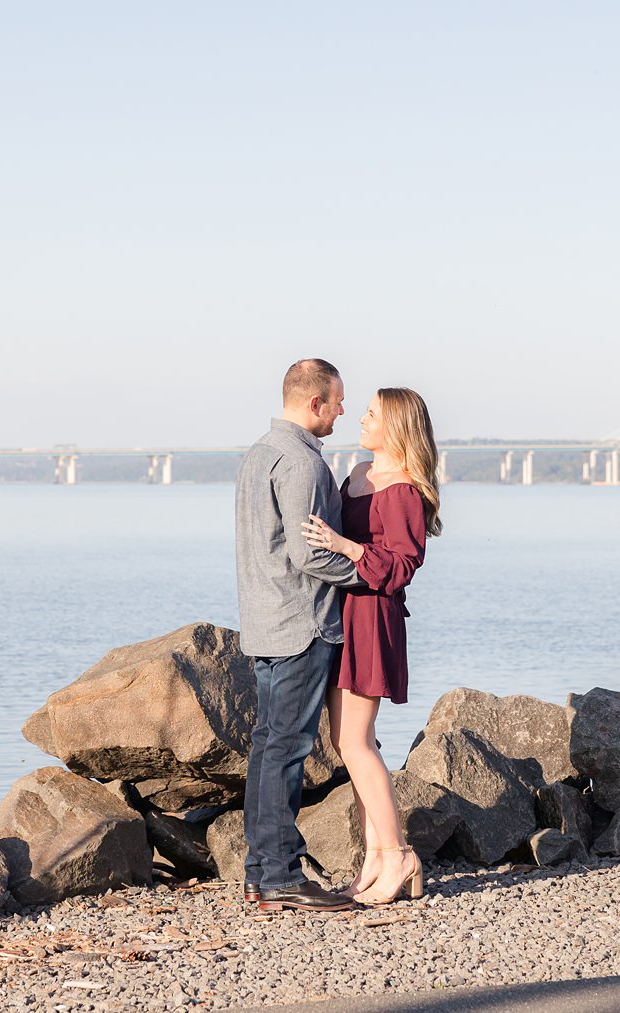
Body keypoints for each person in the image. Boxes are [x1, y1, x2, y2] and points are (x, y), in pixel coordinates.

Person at [235, 358, 368, 913]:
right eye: (337, 401)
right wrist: (371, 571)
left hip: (264, 624)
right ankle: (281, 877)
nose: (342, 410)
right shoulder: (302, 465)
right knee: (286, 750)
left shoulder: (260, 454)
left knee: (269, 748)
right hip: (301, 625)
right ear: (314, 402)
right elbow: (309, 554)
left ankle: (262, 873)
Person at [302, 387, 442, 905]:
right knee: (352, 743)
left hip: (371, 619)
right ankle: (375, 860)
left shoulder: (403, 488)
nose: (359, 419)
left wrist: (345, 546)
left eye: (371, 415)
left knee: (355, 743)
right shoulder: (357, 477)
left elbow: (402, 566)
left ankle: (399, 855)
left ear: (397, 427)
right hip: (342, 614)